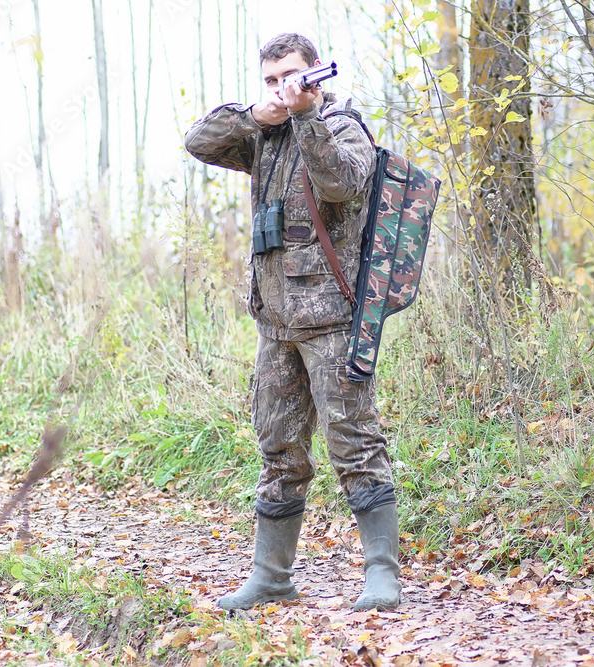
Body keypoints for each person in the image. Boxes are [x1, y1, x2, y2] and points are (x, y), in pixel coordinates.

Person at [184, 33, 400, 612]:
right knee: (279, 452)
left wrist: (305, 116)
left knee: (355, 445)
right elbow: (198, 140)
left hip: (332, 322)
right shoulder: (265, 133)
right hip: (275, 325)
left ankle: (382, 575)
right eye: (272, 78)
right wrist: (260, 113)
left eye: (292, 75)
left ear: (315, 74)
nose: (283, 85)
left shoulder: (341, 125)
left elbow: (343, 184)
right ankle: (272, 578)